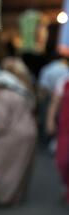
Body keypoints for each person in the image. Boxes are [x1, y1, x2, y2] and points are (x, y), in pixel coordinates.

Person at [0, 58, 37, 206]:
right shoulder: (22, 90)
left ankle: (3, 198)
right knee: (21, 167)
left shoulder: (3, 95)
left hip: (12, 134)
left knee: (4, 166)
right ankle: (16, 197)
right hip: (29, 131)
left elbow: (2, 121)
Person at [47, 67, 69, 206]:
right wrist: (50, 121)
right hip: (65, 129)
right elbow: (54, 103)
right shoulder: (64, 81)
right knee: (63, 162)